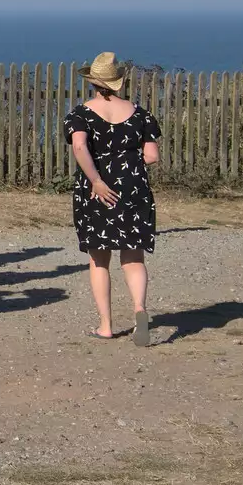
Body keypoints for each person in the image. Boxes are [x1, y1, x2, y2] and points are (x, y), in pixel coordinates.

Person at [64, 52, 161, 346]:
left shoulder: (80, 114)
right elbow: (152, 156)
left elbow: (80, 148)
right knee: (133, 255)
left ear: (92, 82)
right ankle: (140, 310)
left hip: (97, 189)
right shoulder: (141, 114)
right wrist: (128, 163)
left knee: (99, 258)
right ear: (117, 83)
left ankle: (106, 325)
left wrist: (96, 179)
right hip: (134, 187)